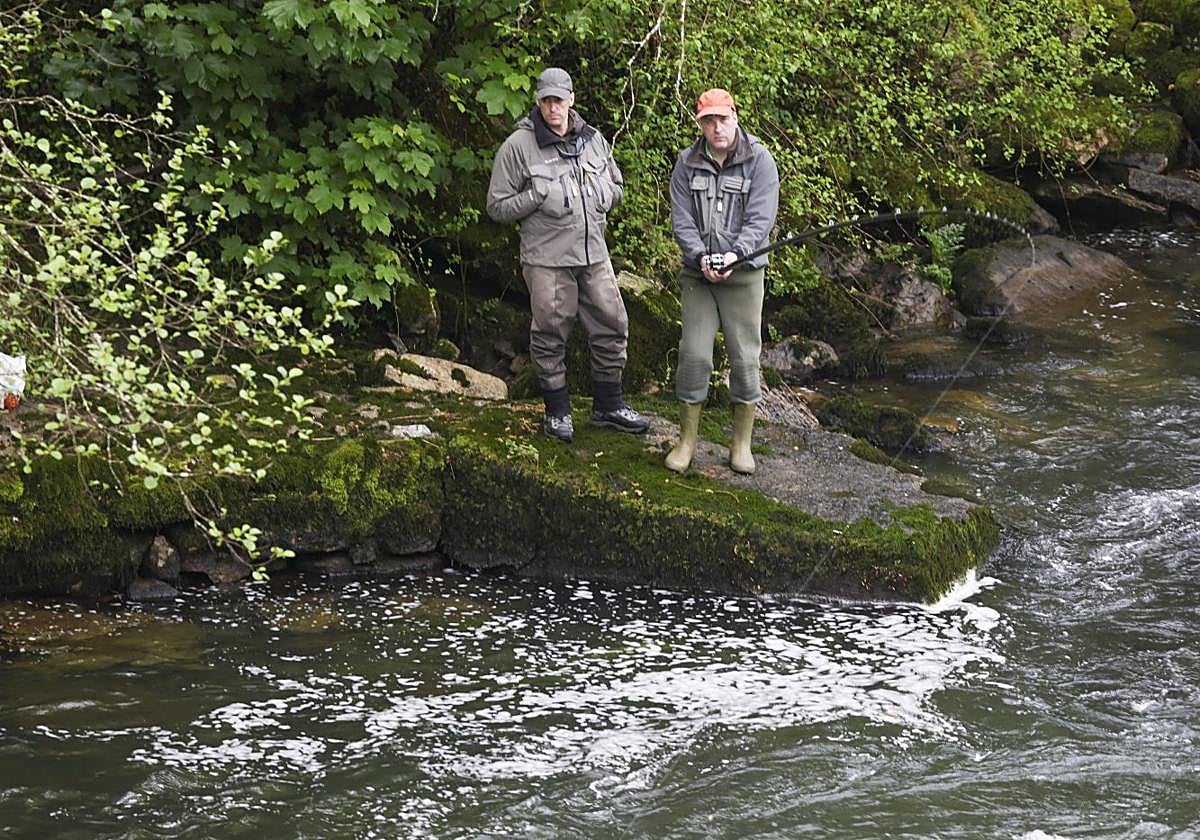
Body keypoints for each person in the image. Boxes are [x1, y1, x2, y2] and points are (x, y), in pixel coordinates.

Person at [485, 67, 649, 443]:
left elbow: (618, 186)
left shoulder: (594, 140)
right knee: (549, 334)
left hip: (594, 254)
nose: (552, 107)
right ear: (538, 102)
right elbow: (496, 206)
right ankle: (557, 412)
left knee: (613, 324)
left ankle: (608, 405)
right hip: (546, 259)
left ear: (571, 99)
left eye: (558, 99)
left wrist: (607, 194)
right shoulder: (518, 147)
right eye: (546, 100)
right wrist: (535, 197)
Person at [665, 88, 779, 475]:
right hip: (698, 277)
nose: (717, 128)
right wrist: (699, 256)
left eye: (723, 119)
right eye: (708, 121)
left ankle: (741, 443)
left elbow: (761, 219)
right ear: (700, 124)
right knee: (694, 356)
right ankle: (687, 441)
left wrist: (735, 255)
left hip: (743, 277)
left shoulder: (760, 161)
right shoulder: (685, 163)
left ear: (735, 117)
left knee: (746, 360)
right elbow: (681, 219)